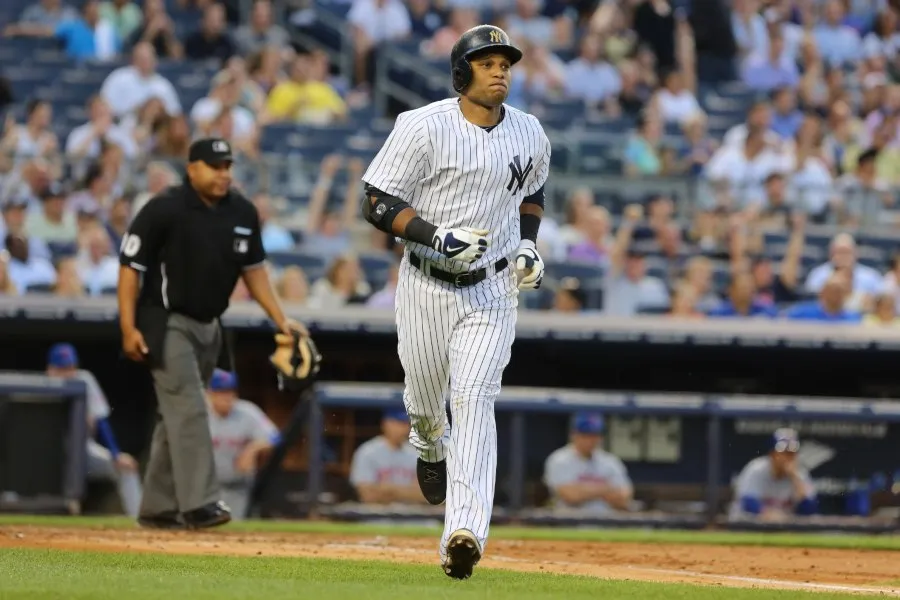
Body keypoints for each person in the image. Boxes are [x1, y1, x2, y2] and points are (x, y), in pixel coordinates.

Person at [359, 25, 550, 579]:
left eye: (505, 63)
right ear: (462, 72)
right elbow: (374, 201)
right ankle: (426, 445)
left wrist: (530, 244)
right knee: (425, 402)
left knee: (473, 399)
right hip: (426, 281)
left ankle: (463, 532)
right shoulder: (421, 126)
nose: (500, 71)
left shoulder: (530, 131)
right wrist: (432, 234)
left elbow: (532, 192)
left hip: (492, 288)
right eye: (487, 62)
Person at [117, 137, 305, 530]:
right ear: (192, 168)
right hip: (166, 322)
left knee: (176, 418)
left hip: (210, 326)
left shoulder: (241, 210)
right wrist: (128, 327)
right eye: (215, 166)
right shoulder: (164, 207)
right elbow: (129, 267)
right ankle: (200, 504)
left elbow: (254, 271)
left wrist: (280, 319)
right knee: (189, 408)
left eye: (227, 166)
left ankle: (157, 507)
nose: (223, 173)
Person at [45, 343, 143, 517]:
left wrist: (115, 454)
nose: (69, 372)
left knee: (127, 468)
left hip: (84, 452)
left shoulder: (84, 380)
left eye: (71, 367)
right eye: (63, 368)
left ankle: (140, 520)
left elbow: (101, 419)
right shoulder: (42, 386)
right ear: (50, 369)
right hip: (49, 457)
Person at [205, 369, 278, 520]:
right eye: (221, 392)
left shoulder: (247, 411)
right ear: (209, 393)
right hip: (205, 489)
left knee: (234, 527)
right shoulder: (201, 413)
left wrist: (252, 449)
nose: (227, 397)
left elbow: (275, 437)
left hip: (237, 488)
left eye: (230, 392)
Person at [542, 413, 633, 513]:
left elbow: (623, 498)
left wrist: (583, 490)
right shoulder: (559, 459)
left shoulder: (610, 461)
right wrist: (606, 489)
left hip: (606, 523)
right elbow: (571, 496)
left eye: (596, 435)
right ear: (574, 435)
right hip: (569, 524)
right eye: (586, 435)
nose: (592, 440)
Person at [729, 428, 817, 521]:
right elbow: (748, 504)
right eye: (784, 453)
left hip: (784, 530)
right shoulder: (757, 469)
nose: (788, 458)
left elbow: (810, 509)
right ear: (772, 454)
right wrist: (770, 514)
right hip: (746, 527)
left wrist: (796, 479)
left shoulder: (800, 474)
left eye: (792, 453)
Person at [348, 409, 424, 504]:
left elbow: (426, 496)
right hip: (377, 515)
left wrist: (389, 490)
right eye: (398, 423)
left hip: (411, 515)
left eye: (406, 424)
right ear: (385, 424)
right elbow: (368, 496)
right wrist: (408, 492)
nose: (404, 429)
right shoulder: (367, 451)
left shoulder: (416, 454)